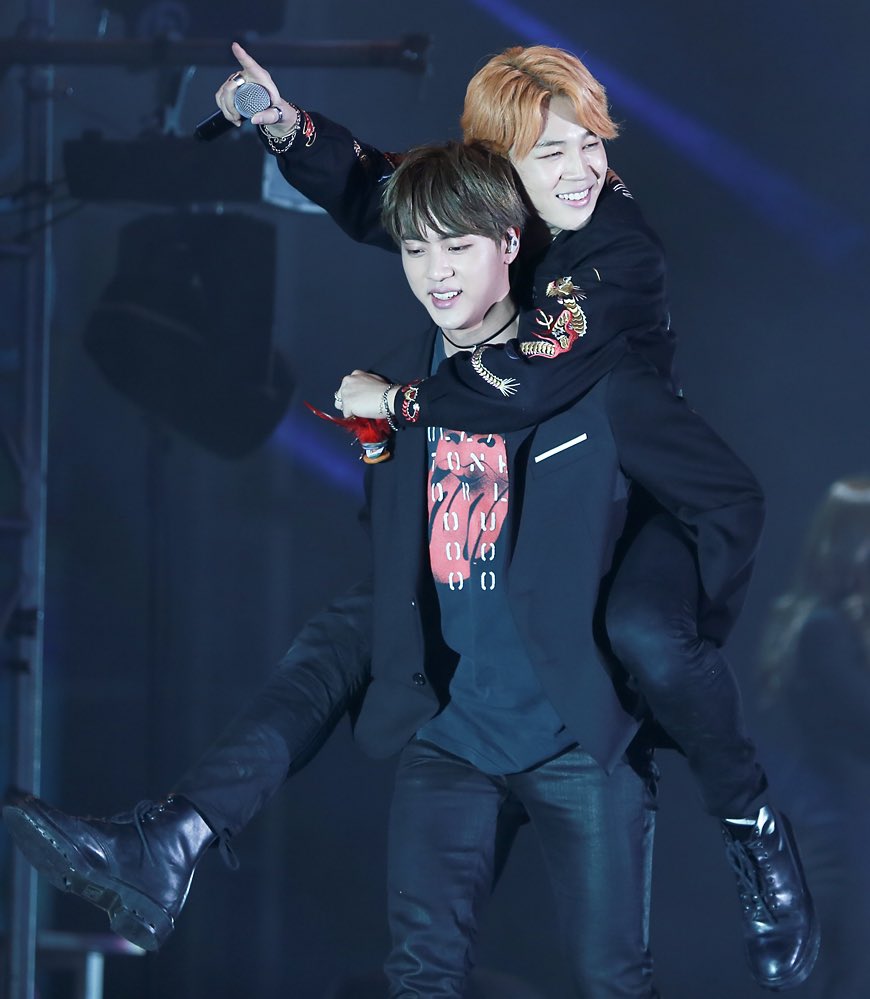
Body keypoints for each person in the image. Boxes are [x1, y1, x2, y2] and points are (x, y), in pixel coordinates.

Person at [6, 141, 783, 997]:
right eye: (416, 248)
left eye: (458, 247)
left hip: (575, 739)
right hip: (451, 736)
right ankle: (174, 837)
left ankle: (172, 839)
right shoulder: (398, 377)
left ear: (509, 245)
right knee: (418, 976)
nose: (436, 272)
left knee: (613, 981)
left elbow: (728, 500)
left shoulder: (596, 381)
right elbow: (396, 546)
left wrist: (666, 647)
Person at [221, 42, 818, 990]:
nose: (582, 171)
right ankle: (190, 822)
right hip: (542, 506)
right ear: (499, 168)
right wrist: (283, 124)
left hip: (640, 498)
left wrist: (398, 403)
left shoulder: (618, 251)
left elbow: (526, 381)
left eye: (592, 145)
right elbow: (383, 195)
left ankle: (752, 825)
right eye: (553, 153)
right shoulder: (484, 205)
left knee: (646, 636)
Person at [756, 477, 870, 998]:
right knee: (844, 970)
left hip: (834, 821)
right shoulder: (824, 631)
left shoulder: (822, 626)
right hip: (838, 827)